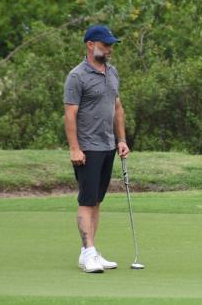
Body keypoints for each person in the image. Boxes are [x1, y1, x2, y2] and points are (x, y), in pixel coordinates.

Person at [64, 25, 130, 273]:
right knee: (86, 199)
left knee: (97, 201)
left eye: (111, 45)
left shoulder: (112, 73)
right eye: (105, 45)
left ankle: (89, 252)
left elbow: (117, 107)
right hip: (87, 148)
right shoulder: (77, 76)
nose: (110, 49)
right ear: (90, 45)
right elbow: (70, 115)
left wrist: (121, 140)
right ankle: (88, 252)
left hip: (107, 145)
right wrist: (74, 148)